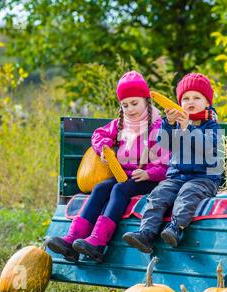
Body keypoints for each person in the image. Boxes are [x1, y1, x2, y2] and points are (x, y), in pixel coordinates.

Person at [46, 71, 168, 262]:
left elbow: (167, 164)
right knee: (101, 187)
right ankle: (72, 240)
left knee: (120, 189)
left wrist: (148, 173)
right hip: (124, 175)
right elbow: (97, 134)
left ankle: (98, 242)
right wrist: (104, 149)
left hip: (150, 179)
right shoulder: (120, 125)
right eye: (125, 105)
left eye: (134, 103)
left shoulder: (158, 127)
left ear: (146, 101)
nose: (130, 109)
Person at [122, 73, 222, 253]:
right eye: (185, 98)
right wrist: (168, 123)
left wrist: (188, 128)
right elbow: (163, 143)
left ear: (207, 103)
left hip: (203, 178)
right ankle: (146, 233)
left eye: (196, 98)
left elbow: (206, 148)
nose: (190, 102)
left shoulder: (211, 126)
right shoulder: (176, 123)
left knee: (187, 194)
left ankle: (176, 228)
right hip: (176, 175)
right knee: (158, 195)